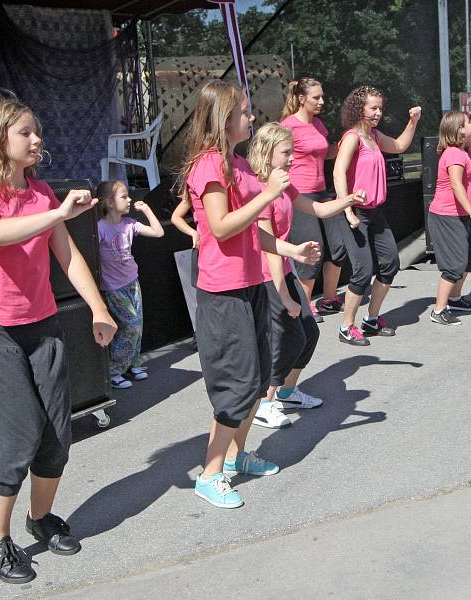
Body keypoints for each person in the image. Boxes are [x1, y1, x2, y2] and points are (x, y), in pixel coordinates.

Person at [0, 91, 116, 584]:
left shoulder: (41, 194)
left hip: (43, 327)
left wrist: (99, 309)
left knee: (55, 437)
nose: (36, 139)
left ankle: (39, 518)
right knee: (15, 437)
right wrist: (60, 213)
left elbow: (68, 258)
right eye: (25, 131)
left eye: (35, 131)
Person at [179, 80, 320, 509]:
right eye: (244, 111)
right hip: (223, 294)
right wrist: (273, 194)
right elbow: (221, 227)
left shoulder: (238, 165)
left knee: (258, 378)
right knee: (236, 384)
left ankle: (238, 457)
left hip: (250, 285)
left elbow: (251, 234)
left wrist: (290, 248)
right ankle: (210, 473)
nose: (252, 117)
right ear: (223, 117)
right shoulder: (209, 166)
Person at [247, 122, 365, 427]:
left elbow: (318, 209)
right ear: (267, 152)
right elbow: (269, 247)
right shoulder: (261, 190)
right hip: (266, 277)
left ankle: (286, 392)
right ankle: (265, 402)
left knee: (308, 334)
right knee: (285, 338)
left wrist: (348, 200)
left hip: (285, 271)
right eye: (286, 152)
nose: (291, 158)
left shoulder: (285, 184)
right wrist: (285, 296)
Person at [333, 85, 421, 346]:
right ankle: (346, 326)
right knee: (362, 271)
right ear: (360, 108)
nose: (378, 112)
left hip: (375, 211)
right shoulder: (353, 137)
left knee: (390, 263)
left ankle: (371, 319)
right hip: (355, 212)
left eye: (380, 108)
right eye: (373, 108)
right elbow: (338, 173)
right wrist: (347, 209)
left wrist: (413, 121)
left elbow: (400, 145)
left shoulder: (374, 135)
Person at [281, 77, 348, 322]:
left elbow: (326, 152)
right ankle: (305, 305)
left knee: (338, 247)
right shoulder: (288, 126)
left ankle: (330, 298)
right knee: (312, 252)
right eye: (316, 97)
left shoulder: (318, 125)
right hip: (300, 195)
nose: (321, 101)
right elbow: (276, 157)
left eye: (322, 96)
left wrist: (348, 143)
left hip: (322, 192)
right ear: (301, 99)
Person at [96, 180, 164, 389]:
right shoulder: (99, 227)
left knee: (138, 325)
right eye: (124, 196)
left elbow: (158, 232)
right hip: (114, 287)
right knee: (131, 325)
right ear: (109, 202)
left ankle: (133, 363)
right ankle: (114, 370)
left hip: (132, 281)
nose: (129, 200)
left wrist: (147, 210)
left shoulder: (129, 224)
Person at [427, 111, 471, 326]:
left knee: (469, 258)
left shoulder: (460, 152)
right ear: (458, 130)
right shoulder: (453, 155)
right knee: (453, 265)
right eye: (468, 124)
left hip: (457, 216)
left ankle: (455, 298)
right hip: (446, 216)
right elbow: (456, 185)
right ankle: (439, 310)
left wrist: (469, 141)